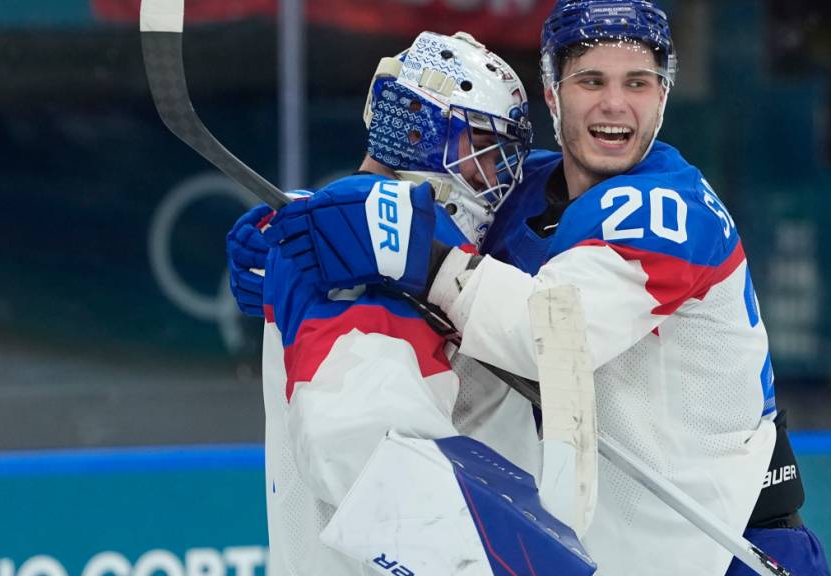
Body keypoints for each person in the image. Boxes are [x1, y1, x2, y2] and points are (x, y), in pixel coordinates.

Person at [261, 1, 831, 575]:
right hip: (622, 544)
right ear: (554, 94)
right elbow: (433, 191)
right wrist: (294, 228)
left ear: (662, 96)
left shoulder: (670, 211)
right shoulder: (520, 186)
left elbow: (554, 340)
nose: (615, 104)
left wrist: (423, 259)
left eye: (638, 82)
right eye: (591, 81)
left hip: (727, 548)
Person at [228, 31, 590, 575]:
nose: (500, 181)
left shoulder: (365, 236)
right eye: (485, 150)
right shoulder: (363, 248)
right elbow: (356, 444)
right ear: (422, 132)